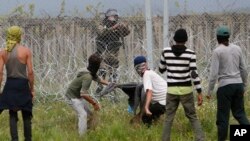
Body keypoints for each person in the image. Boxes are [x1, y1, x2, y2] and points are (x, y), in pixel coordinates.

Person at [159, 28, 204, 141]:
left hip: (172, 90)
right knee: (192, 117)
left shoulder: (166, 52)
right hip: (186, 90)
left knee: (168, 118)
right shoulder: (191, 54)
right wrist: (199, 91)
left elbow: (161, 69)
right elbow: (194, 74)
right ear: (186, 40)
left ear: (174, 39)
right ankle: (200, 139)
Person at [207, 25, 250, 141]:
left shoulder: (217, 51)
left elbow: (214, 74)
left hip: (225, 87)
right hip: (238, 85)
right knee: (240, 114)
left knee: (223, 117)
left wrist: (209, 91)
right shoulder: (237, 48)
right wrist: (244, 85)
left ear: (217, 38)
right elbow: (244, 69)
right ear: (228, 37)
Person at [0, 26, 34, 141]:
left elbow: (0, 73)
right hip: (23, 85)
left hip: (10, 84)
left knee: (12, 113)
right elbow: (30, 72)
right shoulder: (26, 51)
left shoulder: (3, 52)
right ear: (19, 35)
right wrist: (32, 89)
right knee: (26, 113)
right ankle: (28, 139)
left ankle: (14, 139)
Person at [65, 53, 110, 135]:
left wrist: (111, 84)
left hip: (78, 96)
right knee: (83, 115)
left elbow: (100, 80)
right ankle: (82, 136)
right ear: (96, 66)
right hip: (72, 97)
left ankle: (85, 129)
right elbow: (83, 94)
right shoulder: (88, 77)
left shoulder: (89, 71)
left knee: (90, 115)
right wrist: (94, 103)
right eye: (99, 65)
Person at [95, 8, 130, 93]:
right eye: (112, 16)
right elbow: (101, 33)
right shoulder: (102, 24)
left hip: (113, 52)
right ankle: (100, 87)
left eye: (115, 16)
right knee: (102, 70)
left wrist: (123, 27)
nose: (114, 18)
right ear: (107, 17)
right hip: (102, 52)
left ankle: (112, 89)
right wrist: (113, 27)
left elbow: (126, 33)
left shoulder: (118, 24)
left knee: (113, 71)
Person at [133, 55, 167, 127]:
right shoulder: (150, 73)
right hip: (169, 101)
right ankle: (156, 124)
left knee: (145, 117)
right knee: (152, 110)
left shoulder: (146, 74)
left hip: (164, 103)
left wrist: (146, 108)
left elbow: (149, 91)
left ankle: (149, 132)